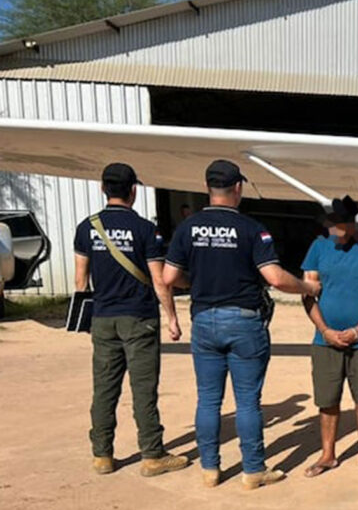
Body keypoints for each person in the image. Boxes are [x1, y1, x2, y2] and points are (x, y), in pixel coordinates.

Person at [163, 160, 321, 490]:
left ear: (207, 188)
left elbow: (169, 277)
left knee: (208, 399)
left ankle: (210, 468)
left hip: (204, 319)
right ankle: (252, 469)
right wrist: (307, 287)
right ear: (238, 188)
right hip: (244, 320)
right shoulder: (251, 229)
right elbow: (275, 278)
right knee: (247, 400)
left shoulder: (188, 228)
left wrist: (198, 282)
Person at [73, 162, 188, 477]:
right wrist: (172, 317)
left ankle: (102, 455)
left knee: (104, 388)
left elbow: (81, 281)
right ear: (133, 191)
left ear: (103, 189)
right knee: (144, 389)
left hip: (103, 318)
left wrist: (87, 320)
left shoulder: (86, 228)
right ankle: (152, 455)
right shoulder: (145, 229)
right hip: (139, 318)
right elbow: (159, 280)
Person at [301, 196, 358, 478]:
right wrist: (325, 330)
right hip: (325, 340)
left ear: (354, 224)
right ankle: (328, 454)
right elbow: (308, 292)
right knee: (327, 399)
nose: (336, 230)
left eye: (341, 225)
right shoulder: (318, 247)